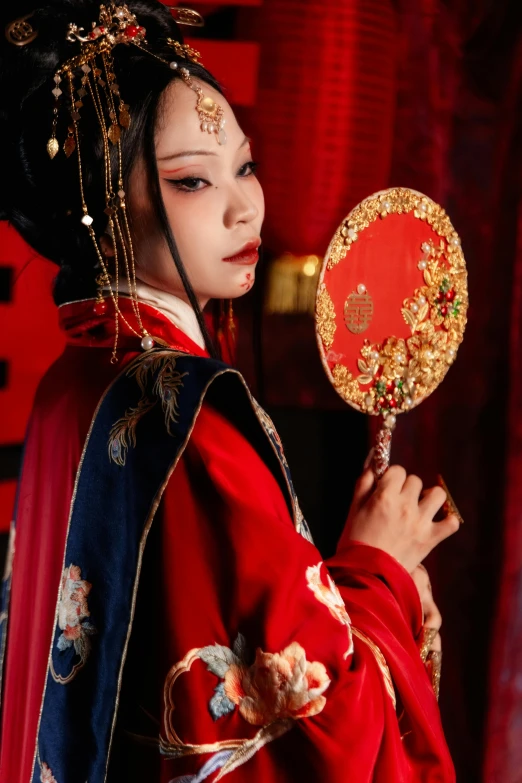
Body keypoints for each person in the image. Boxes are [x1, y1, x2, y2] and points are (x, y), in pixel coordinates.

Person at [0, 1, 459, 781]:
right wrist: (381, 569)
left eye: (245, 165)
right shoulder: (191, 418)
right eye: (191, 180)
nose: (245, 205)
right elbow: (313, 737)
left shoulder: (74, 380)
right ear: (101, 209)